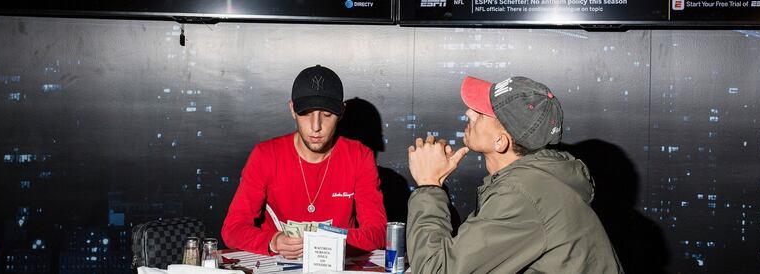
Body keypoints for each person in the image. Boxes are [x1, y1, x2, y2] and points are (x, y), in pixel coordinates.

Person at [406, 76, 623, 274]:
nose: (469, 113)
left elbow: (434, 270)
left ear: (500, 142)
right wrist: (437, 187)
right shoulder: (534, 181)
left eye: (480, 113)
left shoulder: (522, 195)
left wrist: (429, 186)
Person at [222, 65, 387, 258]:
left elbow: (379, 233)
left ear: (341, 113)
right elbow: (232, 229)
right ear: (292, 109)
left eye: (327, 115)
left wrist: (326, 243)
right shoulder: (266, 155)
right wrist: (272, 241)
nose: (316, 126)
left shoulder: (359, 156)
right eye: (306, 113)